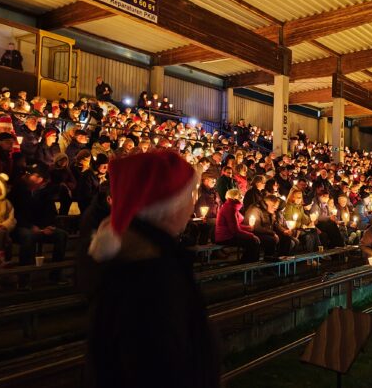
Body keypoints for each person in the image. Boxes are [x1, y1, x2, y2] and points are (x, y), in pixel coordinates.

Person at [87, 151, 219, 387]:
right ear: (170, 206)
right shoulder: (152, 273)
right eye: (190, 194)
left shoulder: (143, 256)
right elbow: (159, 365)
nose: (193, 202)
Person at [215, 188, 260, 263]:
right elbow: (235, 230)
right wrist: (251, 235)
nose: (242, 198)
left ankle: (250, 263)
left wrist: (248, 228)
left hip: (228, 235)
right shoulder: (230, 209)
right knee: (253, 242)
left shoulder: (232, 207)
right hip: (226, 237)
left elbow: (236, 226)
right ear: (235, 198)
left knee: (253, 241)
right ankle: (247, 265)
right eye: (241, 196)